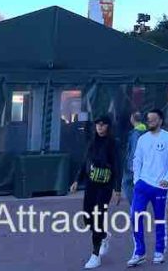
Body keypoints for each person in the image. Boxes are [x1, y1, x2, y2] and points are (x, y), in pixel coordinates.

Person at [129, 108, 168, 267]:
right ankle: (139, 252)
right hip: (142, 185)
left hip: (160, 187)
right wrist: (137, 180)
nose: (149, 121)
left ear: (160, 121)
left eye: (152, 119)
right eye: (148, 119)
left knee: (159, 219)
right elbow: (137, 160)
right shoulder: (142, 139)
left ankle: (159, 251)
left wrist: (167, 179)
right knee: (135, 217)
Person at [70, 115, 122, 270]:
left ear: (108, 126)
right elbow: (85, 161)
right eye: (97, 124)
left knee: (98, 216)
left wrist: (117, 190)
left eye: (103, 124)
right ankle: (104, 236)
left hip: (105, 186)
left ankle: (95, 254)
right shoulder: (92, 141)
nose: (100, 127)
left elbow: (118, 166)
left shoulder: (113, 143)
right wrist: (76, 180)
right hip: (91, 184)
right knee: (87, 218)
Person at [122, 112, 148, 204]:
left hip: (133, 164)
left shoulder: (135, 134)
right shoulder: (145, 131)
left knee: (126, 183)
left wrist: (132, 165)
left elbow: (134, 149)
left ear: (132, 119)